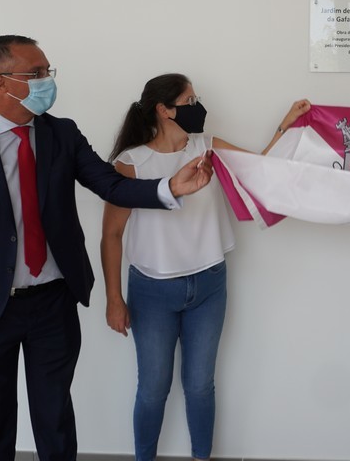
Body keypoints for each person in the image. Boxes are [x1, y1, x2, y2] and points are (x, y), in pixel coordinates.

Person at [0, 35, 213, 461]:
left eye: (48, 71)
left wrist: (169, 187)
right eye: (36, 73)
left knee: (56, 422)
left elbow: (110, 185)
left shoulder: (62, 134)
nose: (47, 80)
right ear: (0, 81)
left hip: (53, 304)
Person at [101, 73, 309, 461]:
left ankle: (202, 457)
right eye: (190, 101)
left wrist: (286, 124)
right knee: (153, 389)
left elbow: (260, 169)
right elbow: (111, 235)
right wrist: (114, 298)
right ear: (164, 110)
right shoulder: (131, 163)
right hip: (152, 291)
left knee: (200, 385)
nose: (198, 107)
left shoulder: (208, 147)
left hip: (209, 284)